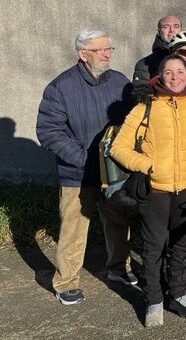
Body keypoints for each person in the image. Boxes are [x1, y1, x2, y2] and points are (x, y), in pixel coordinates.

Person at [110, 55, 186, 327]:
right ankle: (154, 300)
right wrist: (147, 164)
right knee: (153, 249)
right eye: (168, 72)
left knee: (183, 245)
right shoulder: (146, 106)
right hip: (156, 190)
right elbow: (118, 147)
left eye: (180, 71)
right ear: (159, 76)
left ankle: (177, 293)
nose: (175, 77)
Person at [37, 28, 135, 305]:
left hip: (115, 170)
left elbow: (133, 121)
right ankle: (66, 281)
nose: (107, 54)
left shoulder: (119, 82)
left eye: (109, 49)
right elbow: (49, 132)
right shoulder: (60, 87)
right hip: (77, 173)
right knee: (74, 227)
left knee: (118, 221)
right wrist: (85, 159)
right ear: (82, 54)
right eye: (100, 50)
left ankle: (118, 268)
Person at [133, 15, 186, 85]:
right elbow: (140, 93)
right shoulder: (146, 63)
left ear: (181, 30)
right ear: (158, 32)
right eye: (166, 27)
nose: (171, 30)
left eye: (176, 26)